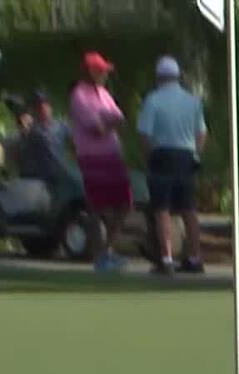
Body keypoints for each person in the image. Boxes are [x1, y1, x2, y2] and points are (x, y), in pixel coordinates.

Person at [137, 55, 208, 275]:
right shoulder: (193, 101)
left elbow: (144, 134)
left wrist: (149, 157)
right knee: (189, 210)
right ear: (178, 77)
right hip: (186, 156)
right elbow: (202, 133)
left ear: (159, 77)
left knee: (162, 209)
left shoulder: (153, 100)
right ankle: (194, 257)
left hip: (162, 155)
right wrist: (195, 154)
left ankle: (167, 259)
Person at [69, 51, 132, 273]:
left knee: (124, 203)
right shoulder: (79, 96)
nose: (105, 74)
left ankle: (106, 250)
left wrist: (110, 123)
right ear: (90, 72)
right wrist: (110, 122)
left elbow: (120, 120)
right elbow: (98, 129)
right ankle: (100, 256)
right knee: (96, 207)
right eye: (101, 70)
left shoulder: (104, 94)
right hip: (92, 157)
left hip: (112, 155)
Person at [18, 89, 74, 185]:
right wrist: (24, 131)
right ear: (33, 111)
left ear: (50, 107)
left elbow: (77, 141)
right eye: (38, 107)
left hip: (62, 174)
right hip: (41, 179)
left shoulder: (61, 126)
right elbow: (22, 153)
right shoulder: (31, 131)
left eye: (45, 105)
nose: (43, 109)